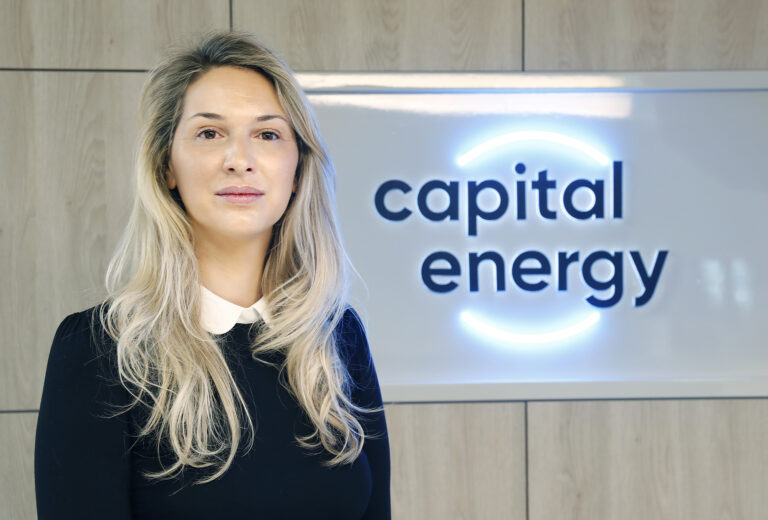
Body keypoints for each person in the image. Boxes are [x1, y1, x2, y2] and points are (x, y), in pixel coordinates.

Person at [34, 31, 390, 519]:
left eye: (268, 135)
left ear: (297, 171)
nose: (239, 160)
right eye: (209, 133)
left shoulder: (336, 335)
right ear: (167, 166)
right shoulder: (99, 351)